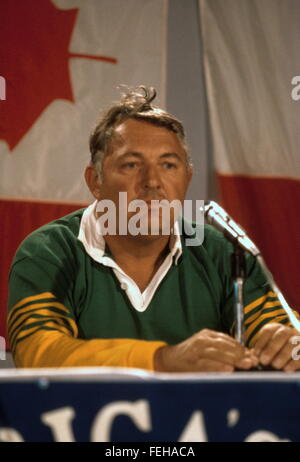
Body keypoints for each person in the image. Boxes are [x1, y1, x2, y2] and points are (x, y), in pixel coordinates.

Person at [7, 86, 300, 372]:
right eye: (132, 165)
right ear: (95, 180)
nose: (152, 182)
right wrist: (163, 360)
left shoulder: (224, 251)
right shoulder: (48, 252)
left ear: (187, 178)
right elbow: (39, 353)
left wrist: (284, 345)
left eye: (168, 165)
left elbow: (283, 334)